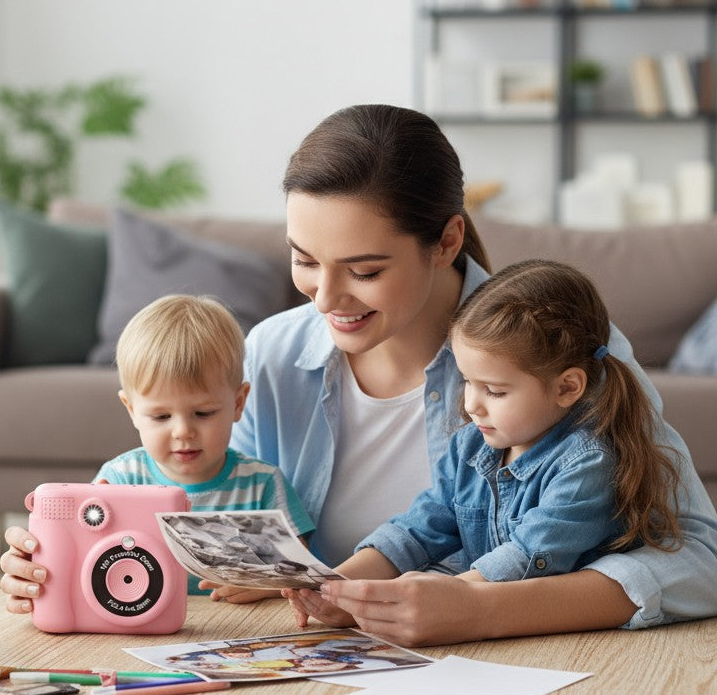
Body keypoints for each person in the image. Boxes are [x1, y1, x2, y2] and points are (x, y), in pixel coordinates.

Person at [1, 104, 717, 643]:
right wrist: (65, 561)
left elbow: (700, 558)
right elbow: (186, 510)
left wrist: (484, 609)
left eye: (365, 271)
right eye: (304, 260)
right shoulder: (273, 357)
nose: (324, 299)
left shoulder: (563, 353)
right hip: (334, 660)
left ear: (448, 240)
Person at [287, 258, 681, 623]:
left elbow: (528, 556)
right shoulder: (470, 447)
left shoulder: (588, 463)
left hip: (569, 639)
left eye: (494, 390)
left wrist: (446, 599)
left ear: (567, 387)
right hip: (484, 631)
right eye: (467, 382)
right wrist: (337, 585)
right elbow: (420, 528)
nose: (472, 405)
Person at [72, 294, 312, 601]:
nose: (183, 431)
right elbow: (85, 558)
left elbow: (300, 567)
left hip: (237, 626)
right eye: (161, 416)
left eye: (204, 413)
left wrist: (265, 584)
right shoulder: (120, 480)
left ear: (238, 403)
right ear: (131, 410)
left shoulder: (262, 483)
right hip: (141, 623)